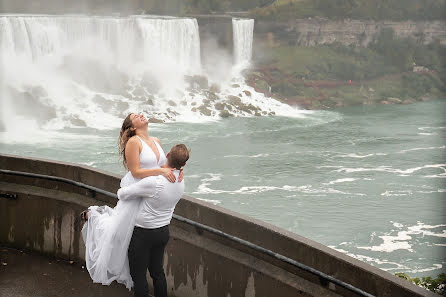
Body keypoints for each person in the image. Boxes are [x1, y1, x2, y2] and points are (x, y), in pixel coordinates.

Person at [81, 112, 184, 290]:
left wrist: (178, 171)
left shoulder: (157, 141)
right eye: (135, 116)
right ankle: (93, 216)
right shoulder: (133, 142)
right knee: (116, 232)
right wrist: (160, 172)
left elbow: (165, 165)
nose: (141, 114)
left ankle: (94, 215)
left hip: (150, 194)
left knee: (135, 246)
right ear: (132, 127)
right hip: (137, 193)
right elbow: (135, 171)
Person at [119, 143, 189, 297]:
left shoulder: (154, 182)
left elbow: (122, 194)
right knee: (157, 272)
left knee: (138, 276)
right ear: (183, 164)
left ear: (168, 155)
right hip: (163, 232)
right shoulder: (181, 181)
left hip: (143, 233)